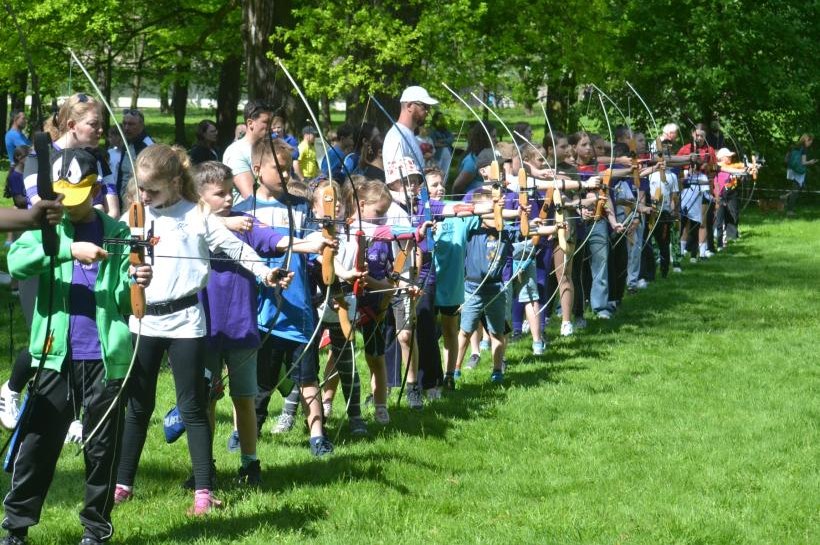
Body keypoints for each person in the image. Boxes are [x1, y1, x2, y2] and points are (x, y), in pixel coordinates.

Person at [113, 145, 285, 515]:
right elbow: (116, 263)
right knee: (137, 407)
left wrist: (266, 272)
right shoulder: (136, 216)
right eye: (141, 189)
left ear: (176, 182)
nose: (145, 197)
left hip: (186, 322)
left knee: (193, 405)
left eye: (153, 190)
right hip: (143, 319)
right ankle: (123, 483)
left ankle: (204, 490)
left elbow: (234, 248)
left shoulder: (198, 214)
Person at [2, 148, 152, 545]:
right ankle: (16, 528)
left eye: (78, 196)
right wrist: (68, 250)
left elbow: (123, 301)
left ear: (97, 188)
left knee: (102, 449)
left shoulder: (117, 232)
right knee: (36, 444)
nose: (68, 205)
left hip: (105, 359)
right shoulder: (48, 225)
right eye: (62, 195)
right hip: (55, 355)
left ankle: (95, 531)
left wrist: (138, 278)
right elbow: (17, 263)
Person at [236, 137, 336, 456]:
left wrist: (333, 262)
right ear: (256, 169)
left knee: (307, 377)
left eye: (287, 167)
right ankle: (246, 430)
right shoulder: (243, 212)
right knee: (261, 381)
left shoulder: (302, 208)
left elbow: (317, 253)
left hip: (299, 308)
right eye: (276, 168)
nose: (284, 174)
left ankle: (317, 434)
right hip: (261, 310)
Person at [222, 100, 273, 199]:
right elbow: (250, 196)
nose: (271, 127)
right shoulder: (236, 152)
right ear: (250, 123)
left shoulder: (269, 148)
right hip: (247, 212)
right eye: (266, 122)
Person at [115, 108, 154, 206]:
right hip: (122, 198)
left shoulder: (149, 146)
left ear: (141, 125)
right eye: (124, 123)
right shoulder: (127, 142)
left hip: (138, 202)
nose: (127, 128)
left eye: (131, 124)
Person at [785, 134, 817, 216]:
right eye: (810, 142)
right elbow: (804, 162)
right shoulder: (804, 149)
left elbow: (786, 159)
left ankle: (787, 198)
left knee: (796, 188)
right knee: (796, 190)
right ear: (807, 140)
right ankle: (790, 210)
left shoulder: (793, 146)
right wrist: (811, 162)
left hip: (791, 170)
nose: (810, 144)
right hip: (798, 171)